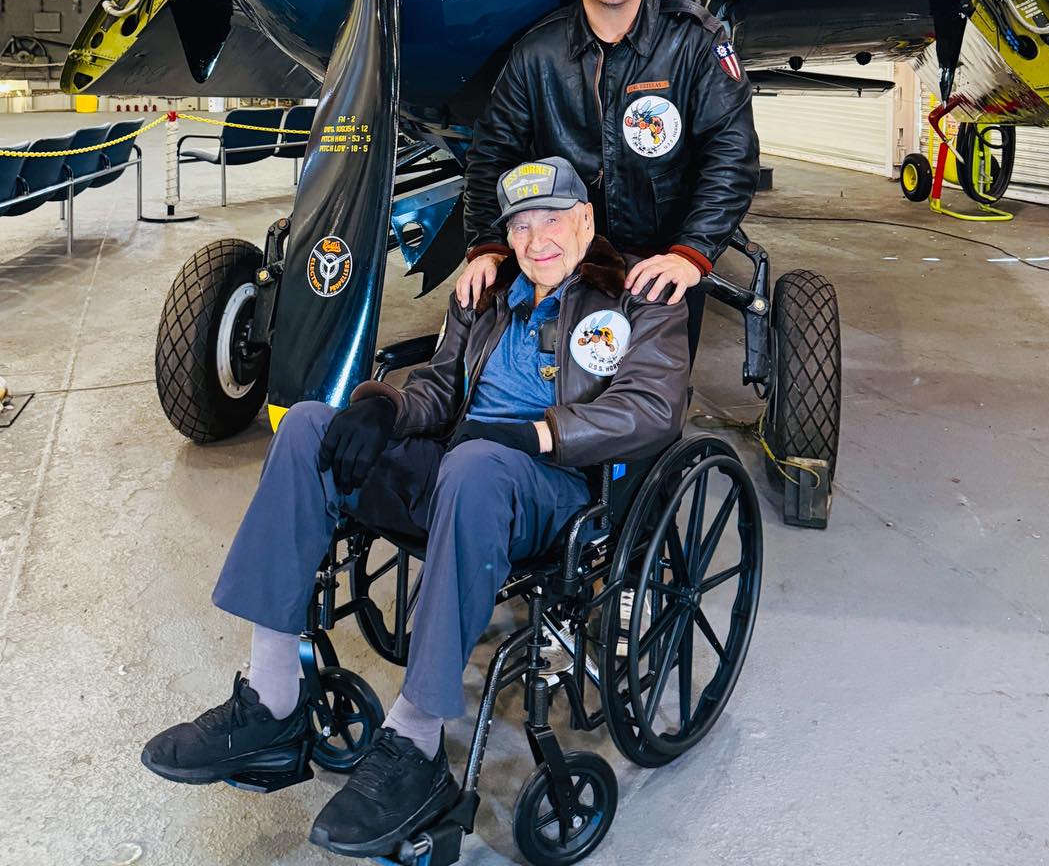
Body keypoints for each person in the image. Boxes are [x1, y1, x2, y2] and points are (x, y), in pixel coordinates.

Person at [141, 157, 689, 861]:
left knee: (476, 463)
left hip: (556, 488)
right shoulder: (488, 293)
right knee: (309, 425)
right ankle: (272, 699)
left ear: (585, 220)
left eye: (552, 218)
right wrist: (385, 408)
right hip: (463, 468)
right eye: (522, 224)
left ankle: (416, 743)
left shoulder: (639, 297)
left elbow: (650, 410)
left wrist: (537, 433)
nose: (536, 237)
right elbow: (439, 386)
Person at [457, 0, 759, 354]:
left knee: (652, 407)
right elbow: (492, 156)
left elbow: (731, 157)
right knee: (554, 391)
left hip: (663, 260)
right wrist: (488, 245)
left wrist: (690, 254)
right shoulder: (536, 53)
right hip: (562, 260)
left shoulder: (698, 43)